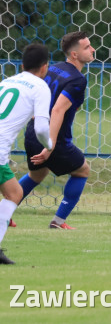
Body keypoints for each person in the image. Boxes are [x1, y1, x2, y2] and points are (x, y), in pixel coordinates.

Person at [19, 31, 96, 230]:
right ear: (74, 55)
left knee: (36, 176)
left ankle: (5, 212)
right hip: (53, 139)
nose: (92, 49)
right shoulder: (77, 79)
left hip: (32, 132)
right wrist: (50, 145)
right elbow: (58, 109)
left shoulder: (52, 69)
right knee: (82, 170)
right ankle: (58, 221)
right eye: (87, 47)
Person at [0, 43, 55, 264]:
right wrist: (49, 146)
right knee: (13, 194)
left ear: (22, 65)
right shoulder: (40, 87)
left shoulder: (6, 82)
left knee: (14, 192)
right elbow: (41, 128)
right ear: (45, 67)